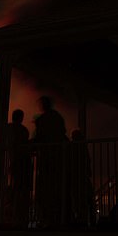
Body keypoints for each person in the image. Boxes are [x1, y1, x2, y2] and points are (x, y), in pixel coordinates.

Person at [33, 96, 68, 227]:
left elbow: (39, 138)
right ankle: (56, 217)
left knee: (46, 189)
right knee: (55, 188)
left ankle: (47, 218)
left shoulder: (43, 120)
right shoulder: (57, 117)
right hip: (57, 159)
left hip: (47, 160)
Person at [5, 109, 33, 227]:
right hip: (22, 163)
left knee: (15, 188)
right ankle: (19, 216)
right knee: (20, 189)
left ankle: (13, 215)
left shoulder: (8, 128)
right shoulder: (23, 130)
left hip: (15, 162)